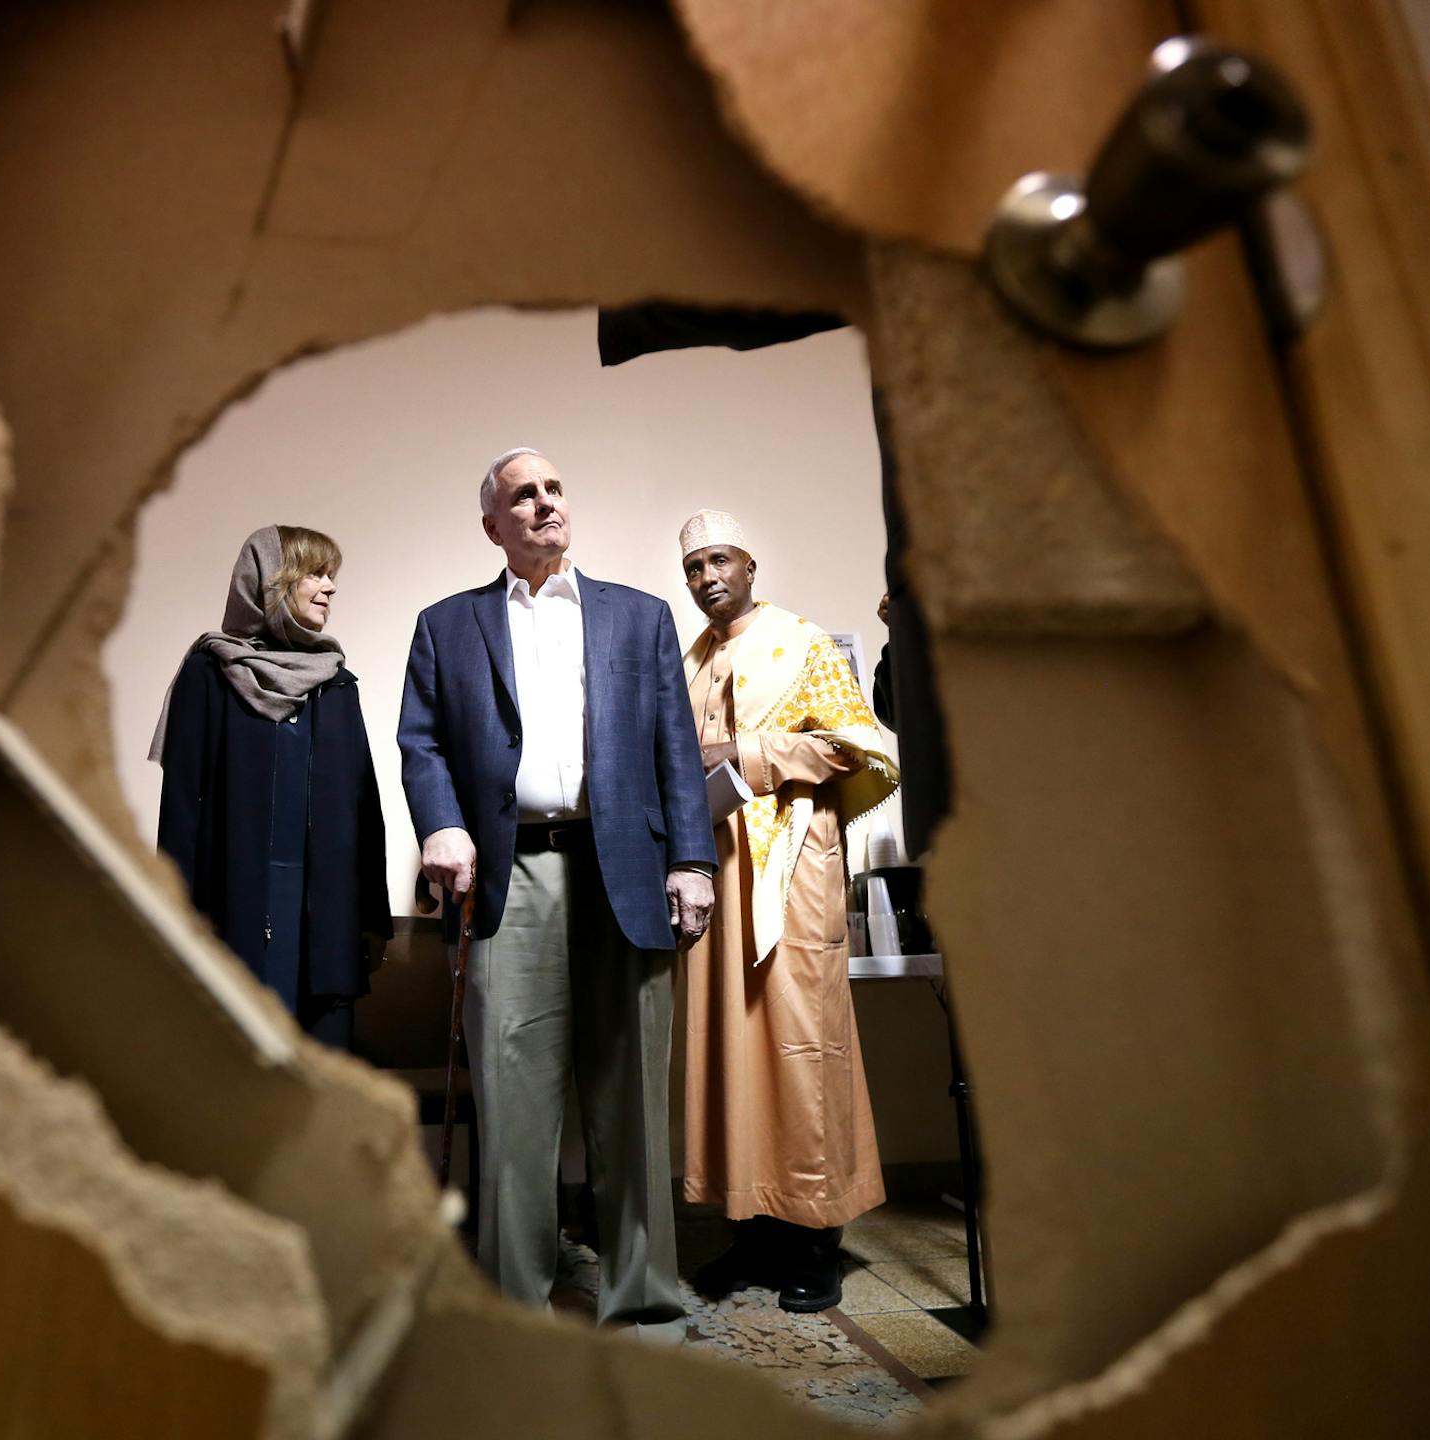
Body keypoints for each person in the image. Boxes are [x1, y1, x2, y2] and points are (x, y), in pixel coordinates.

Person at [397, 447, 715, 1342]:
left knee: (633, 1100)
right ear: (492, 526)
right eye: (519, 496)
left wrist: (693, 860)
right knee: (513, 1098)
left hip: (626, 870)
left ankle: (643, 1298)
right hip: (510, 876)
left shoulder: (638, 617)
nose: (542, 504)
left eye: (553, 489)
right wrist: (441, 823)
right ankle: (514, 1311)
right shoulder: (446, 625)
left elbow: (676, 752)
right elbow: (420, 743)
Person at [676, 509, 899, 1312]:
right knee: (733, 1048)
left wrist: (748, 752)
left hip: (792, 867)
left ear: (750, 565)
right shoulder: (691, 659)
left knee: (804, 1048)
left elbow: (858, 744)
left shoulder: (801, 643)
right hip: (717, 869)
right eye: (694, 566)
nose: (707, 578)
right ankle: (754, 1231)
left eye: (720, 561)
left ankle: (816, 1242)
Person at [154, 525, 390, 1050]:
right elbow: (181, 814)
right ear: (271, 582)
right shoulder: (209, 674)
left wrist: (373, 920)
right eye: (316, 574)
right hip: (232, 904)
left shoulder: (336, 683)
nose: (330, 588)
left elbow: (363, 808)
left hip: (324, 919)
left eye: (333, 576)